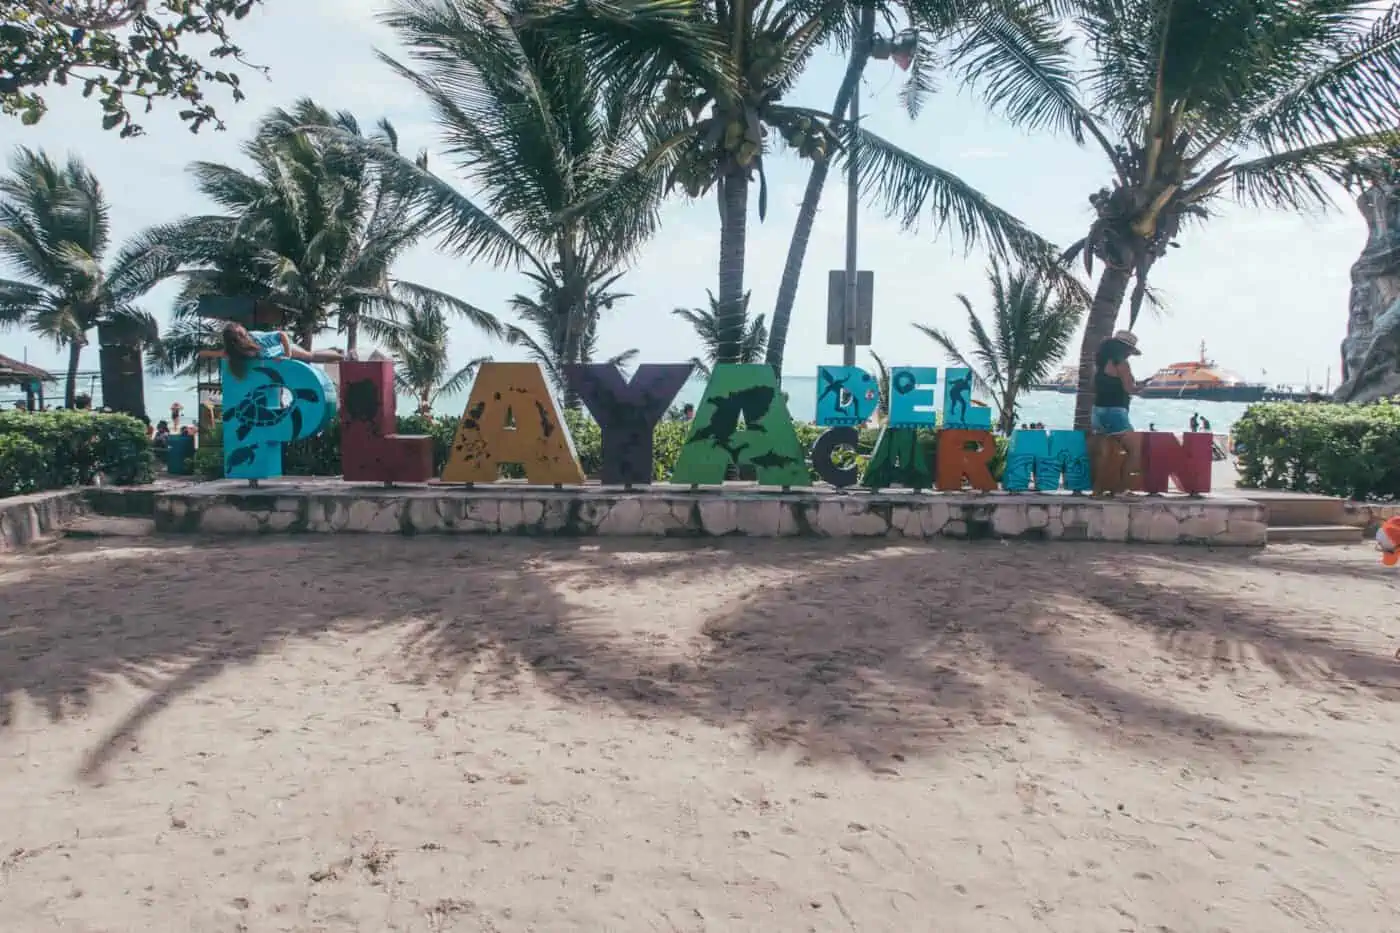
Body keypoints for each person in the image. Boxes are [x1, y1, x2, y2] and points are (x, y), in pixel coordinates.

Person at [220, 321, 342, 378]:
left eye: (242, 335)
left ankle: (342, 357)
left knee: (309, 356)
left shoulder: (257, 338)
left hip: (284, 348)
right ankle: (337, 354)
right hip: (276, 357)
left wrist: (288, 355)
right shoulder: (235, 350)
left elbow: (282, 335)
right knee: (309, 358)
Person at [1092, 329, 1140, 435]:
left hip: (1097, 410)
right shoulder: (1122, 363)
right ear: (1125, 349)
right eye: (1129, 351)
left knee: (1106, 447)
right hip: (1116, 409)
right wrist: (1142, 388)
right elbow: (1130, 389)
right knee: (1134, 446)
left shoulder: (1100, 363)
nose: (1129, 354)